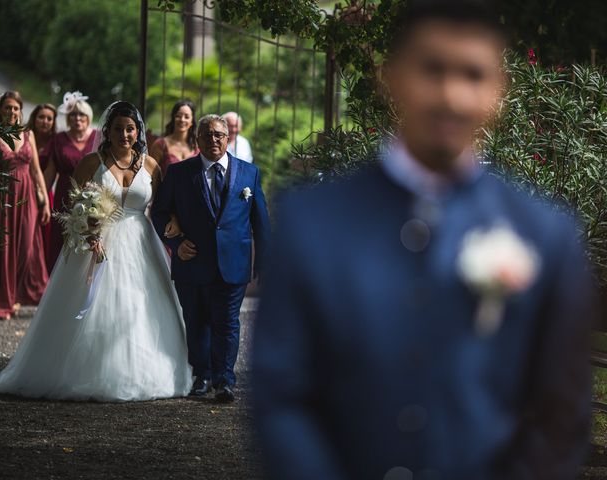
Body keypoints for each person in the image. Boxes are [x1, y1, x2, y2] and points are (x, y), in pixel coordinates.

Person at [253, 1, 596, 479]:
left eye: (473, 75)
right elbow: (280, 396)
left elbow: (561, 411)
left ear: (498, 90)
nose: (451, 96)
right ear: (391, 77)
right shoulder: (312, 222)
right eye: (431, 69)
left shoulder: (544, 232)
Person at [0, 101, 193, 401]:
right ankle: (82, 371)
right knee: (92, 308)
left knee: (140, 305)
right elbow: (74, 205)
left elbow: (163, 207)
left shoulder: (150, 165)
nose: (124, 134)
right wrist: (89, 230)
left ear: (137, 132)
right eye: (118, 129)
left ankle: (140, 370)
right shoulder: (91, 162)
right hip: (98, 242)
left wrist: (176, 223)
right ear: (107, 131)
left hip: (141, 243)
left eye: (130, 129)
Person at [151, 114, 270, 402]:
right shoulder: (180, 174)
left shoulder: (249, 174)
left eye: (218, 135)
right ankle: (201, 375)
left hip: (234, 263)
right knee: (196, 321)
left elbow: (261, 221)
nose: (213, 140)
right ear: (197, 140)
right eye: (207, 135)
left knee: (227, 322)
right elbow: (160, 212)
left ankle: (224, 380)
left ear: (228, 138)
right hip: (192, 261)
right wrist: (175, 243)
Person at [0, 91, 51, 319]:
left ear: (20, 110)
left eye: (15, 108)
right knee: (3, 248)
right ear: (0, 110)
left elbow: (35, 171)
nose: (12, 112)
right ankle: (6, 299)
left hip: (27, 198)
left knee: (25, 246)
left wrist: (44, 201)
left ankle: (15, 294)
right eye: (7, 108)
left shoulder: (28, 134)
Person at [43, 91, 96, 272]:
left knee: (88, 238)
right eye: (72, 114)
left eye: (81, 114)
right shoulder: (59, 139)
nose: (77, 118)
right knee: (62, 240)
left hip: (92, 198)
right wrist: (41, 198)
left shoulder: (98, 138)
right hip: (64, 197)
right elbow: (50, 172)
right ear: (67, 117)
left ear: (88, 117)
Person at [27, 103, 57, 260]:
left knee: (43, 235)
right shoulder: (24, 137)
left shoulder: (55, 144)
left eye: (49, 118)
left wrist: (40, 197)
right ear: (34, 118)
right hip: (23, 191)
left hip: (44, 193)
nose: (45, 121)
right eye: (41, 117)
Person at [150, 100, 199, 177]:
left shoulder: (198, 146)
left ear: (192, 121)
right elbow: (151, 175)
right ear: (173, 118)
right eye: (178, 116)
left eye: (186, 117)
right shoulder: (160, 145)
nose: (182, 119)